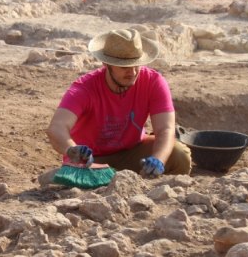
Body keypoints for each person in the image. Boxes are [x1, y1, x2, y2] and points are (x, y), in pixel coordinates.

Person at [47, 28, 191, 178]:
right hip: (92, 160)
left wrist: (158, 160)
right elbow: (56, 128)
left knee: (179, 155)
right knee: (90, 177)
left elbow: (165, 129)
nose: (133, 72)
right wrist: (73, 151)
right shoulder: (84, 89)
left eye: (137, 64)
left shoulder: (153, 82)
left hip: (133, 152)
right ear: (106, 63)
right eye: (124, 67)